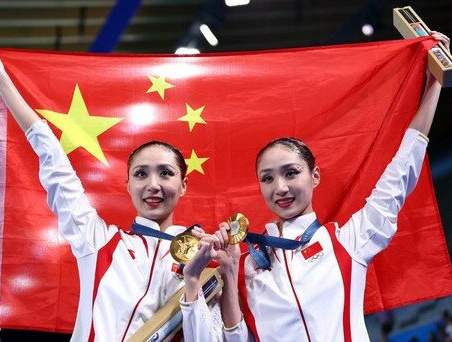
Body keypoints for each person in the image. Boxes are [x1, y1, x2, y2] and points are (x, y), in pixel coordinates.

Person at [180, 31, 450, 342]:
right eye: (267, 178)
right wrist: (228, 272)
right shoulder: (248, 261)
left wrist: (434, 83)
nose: (280, 187)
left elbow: (401, 172)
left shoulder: (348, 241)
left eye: (291, 173)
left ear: (315, 177)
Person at [0, 55, 198, 341]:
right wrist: (1, 80)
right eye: (141, 174)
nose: (153, 185)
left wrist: (202, 273)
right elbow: (54, 163)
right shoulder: (98, 240)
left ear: (183, 186)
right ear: (128, 185)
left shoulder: (200, 257)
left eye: (165, 173)